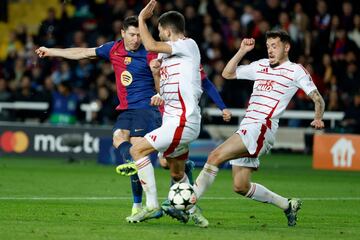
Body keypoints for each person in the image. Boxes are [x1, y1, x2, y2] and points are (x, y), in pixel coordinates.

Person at [191, 30, 325, 227]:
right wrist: (242, 51)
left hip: (262, 126)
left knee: (215, 156)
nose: (270, 50)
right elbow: (227, 73)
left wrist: (318, 118)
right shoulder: (260, 65)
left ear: (286, 47)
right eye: (268, 46)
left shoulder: (295, 70)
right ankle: (287, 205)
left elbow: (318, 98)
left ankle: (188, 203)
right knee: (240, 186)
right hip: (249, 126)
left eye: (275, 46)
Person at [35, 15, 164, 220]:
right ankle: (139, 201)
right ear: (122, 33)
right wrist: (51, 51)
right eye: (132, 34)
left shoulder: (150, 53)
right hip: (127, 110)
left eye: (139, 35)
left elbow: (161, 90)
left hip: (146, 109)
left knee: (138, 154)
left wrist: (156, 74)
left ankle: (145, 205)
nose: (136, 39)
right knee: (118, 139)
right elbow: (83, 52)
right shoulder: (113, 48)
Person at [116, 0, 209, 227]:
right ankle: (193, 210)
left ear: (167, 31)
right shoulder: (166, 58)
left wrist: (141, 19)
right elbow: (161, 87)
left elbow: (149, 46)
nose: (157, 35)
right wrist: (157, 75)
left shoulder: (188, 45)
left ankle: (151, 206)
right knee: (176, 172)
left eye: (159, 31)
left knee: (137, 150)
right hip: (173, 121)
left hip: (183, 121)